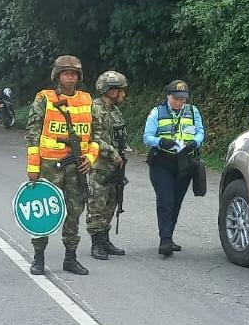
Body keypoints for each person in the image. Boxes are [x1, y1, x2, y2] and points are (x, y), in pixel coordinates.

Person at [24, 55, 99, 276]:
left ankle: (70, 257)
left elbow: (98, 134)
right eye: (66, 73)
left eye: (74, 73)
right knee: (43, 211)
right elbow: (33, 134)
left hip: (77, 166)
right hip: (49, 165)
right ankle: (38, 257)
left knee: (75, 210)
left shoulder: (87, 100)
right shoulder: (44, 98)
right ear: (57, 75)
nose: (70, 76)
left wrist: (90, 158)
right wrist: (33, 167)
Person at [142, 79, 204, 257]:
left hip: (184, 162)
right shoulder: (157, 112)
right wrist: (160, 141)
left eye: (182, 99)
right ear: (168, 96)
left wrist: (195, 141)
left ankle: (169, 235)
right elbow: (147, 137)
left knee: (176, 201)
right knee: (166, 201)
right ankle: (165, 240)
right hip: (162, 163)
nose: (179, 102)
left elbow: (200, 131)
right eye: (176, 98)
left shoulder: (193, 111)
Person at [87, 70, 131, 260]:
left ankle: (105, 239)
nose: (123, 94)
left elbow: (118, 135)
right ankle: (96, 243)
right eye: (120, 90)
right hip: (99, 166)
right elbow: (92, 137)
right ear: (110, 91)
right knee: (97, 204)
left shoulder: (114, 110)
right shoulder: (95, 109)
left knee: (111, 203)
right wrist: (111, 152)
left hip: (116, 166)